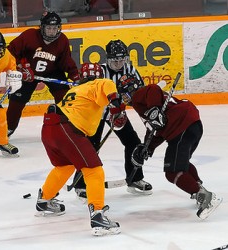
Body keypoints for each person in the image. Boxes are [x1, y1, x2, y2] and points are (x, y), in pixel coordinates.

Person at [36, 62, 126, 236]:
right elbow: (109, 90)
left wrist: (115, 111)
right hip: (67, 128)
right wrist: (117, 109)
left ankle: (44, 200)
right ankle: (98, 215)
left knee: (65, 166)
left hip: (49, 127)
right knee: (94, 170)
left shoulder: (75, 91)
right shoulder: (101, 83)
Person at [117, 74, 222, 220]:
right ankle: (198, 188)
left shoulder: (139, 97)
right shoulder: (144, 103)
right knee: (181, 164)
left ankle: (204, 196)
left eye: (123, 93)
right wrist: (148, 147)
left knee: (173, 171)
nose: (124, 98)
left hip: (181, 127)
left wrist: (154, 110)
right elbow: (156, 128)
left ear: (129, 90)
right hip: (191, 124)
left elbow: (153, 89)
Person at [73, 39, 152, 199]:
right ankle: (81, 184)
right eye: (115, 60)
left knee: (133, 143)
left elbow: (139, 91)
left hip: (118, 114)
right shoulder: (99, 71)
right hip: (96, 114)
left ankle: (135, 179)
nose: (119, 63)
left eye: (122, 59)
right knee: (91, 148)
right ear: (107, 58)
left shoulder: (129, 68)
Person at [6, 11, 79, 137]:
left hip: (53, 71)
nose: (51, 31)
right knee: (17, 100)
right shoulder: (29, 35)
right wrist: (20, 67)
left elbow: (66, 61)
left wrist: (75, 76)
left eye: (55, 28)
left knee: (64, 97)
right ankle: (8, 128)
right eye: (49, 28)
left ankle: (65, 126)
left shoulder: (62, 40)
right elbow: (10, 53)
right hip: (28, 73)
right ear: (42, 27)